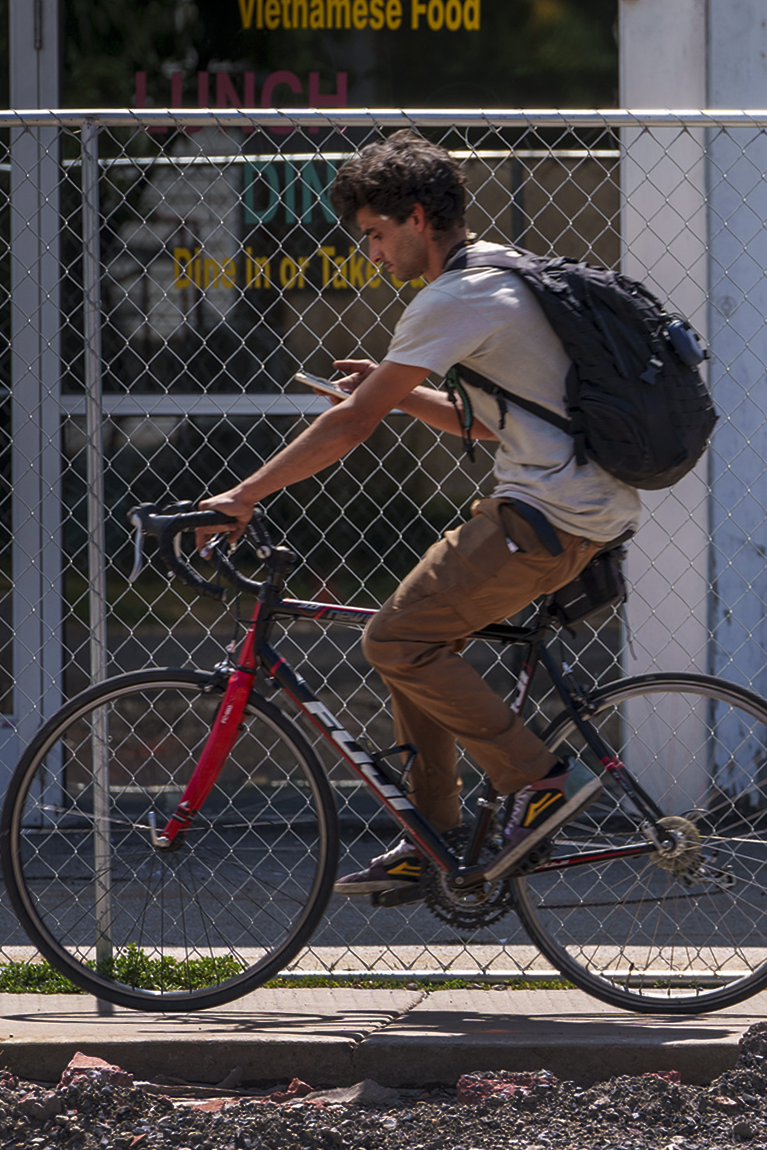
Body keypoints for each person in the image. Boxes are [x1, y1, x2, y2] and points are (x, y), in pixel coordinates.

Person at [199, 129, 640, 901]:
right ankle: (431, 837)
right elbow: (493, 422)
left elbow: (349, 426)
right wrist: (396, 390)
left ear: (414, 217)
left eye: (374, 234)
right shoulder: (498, 269)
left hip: (547, 513)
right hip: (562, 503)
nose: (371, 252)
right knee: (411, 638)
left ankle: (535, 779)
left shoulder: (455, 295)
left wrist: (244, 496)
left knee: (395, 639)